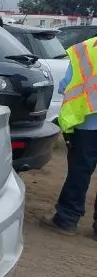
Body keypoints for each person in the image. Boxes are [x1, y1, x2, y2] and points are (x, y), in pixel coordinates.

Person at [40, 34, 97, 239]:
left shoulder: (85, 49)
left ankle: (66, 219)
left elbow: (66, 85)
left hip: (87, 122)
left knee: (80, 172)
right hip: (87, 122)